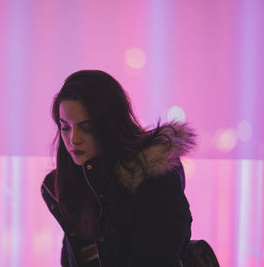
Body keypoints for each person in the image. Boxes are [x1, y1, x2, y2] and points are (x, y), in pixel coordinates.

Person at [40, 70, 196, 267]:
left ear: (111, 124)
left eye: (86, 128)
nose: (73, 139)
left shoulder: (154, 179)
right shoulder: (73, 186)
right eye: (65, 127)